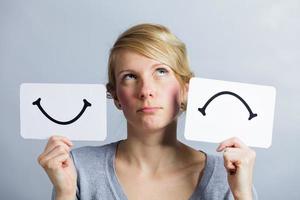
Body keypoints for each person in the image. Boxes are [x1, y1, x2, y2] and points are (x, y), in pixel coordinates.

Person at [38, 23, 257, 200]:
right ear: (115, 96)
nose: (146, 91)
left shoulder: (228, 174)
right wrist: (65, 193)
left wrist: (242, 195)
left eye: (161, 71)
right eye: (130, 77)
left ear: (185, 89)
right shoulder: (79, 169)